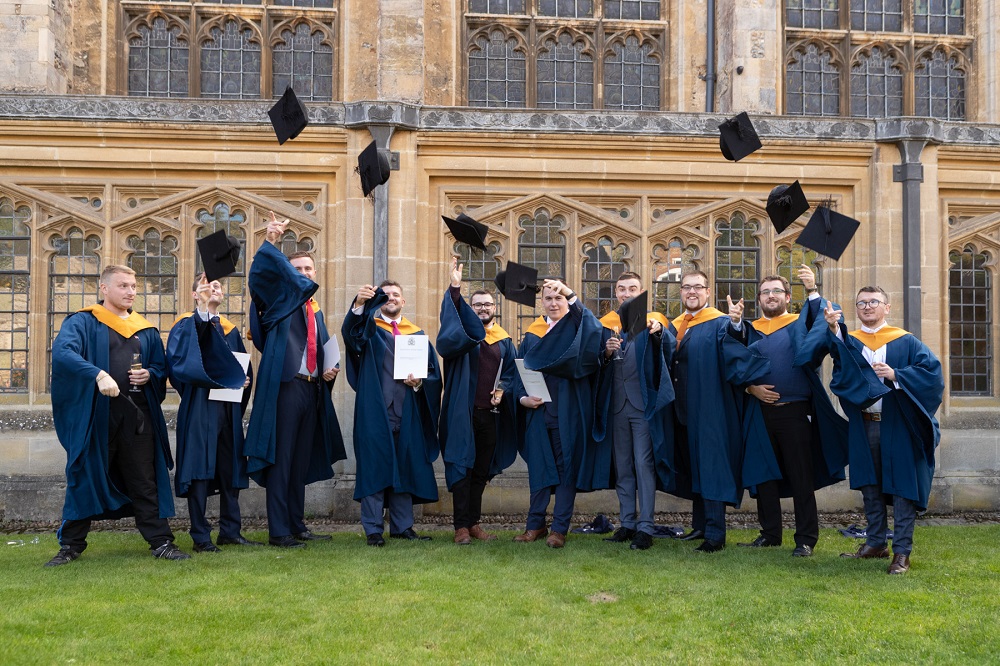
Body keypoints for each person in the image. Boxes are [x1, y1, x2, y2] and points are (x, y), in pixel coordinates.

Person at [46, 265, 188, 566]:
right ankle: (70, 546)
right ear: (104, 288)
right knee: (85, 476)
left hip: (137, 417)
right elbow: (63, 354)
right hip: (97, 416)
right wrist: (97, 374)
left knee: (144, 480)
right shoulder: (83, 322)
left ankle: (161, 542)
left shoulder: (145, 329)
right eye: (123, 286)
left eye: (134, 286)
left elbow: (161, 368)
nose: (130, 291)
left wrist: (150, 374)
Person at [818, 287, 944, 574]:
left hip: (898, 425)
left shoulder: (906, 342)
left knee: (903, 489)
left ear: (887, 307)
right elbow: (840, 368)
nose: (866, 307)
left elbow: (933, 376)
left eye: (873, 302)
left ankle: (901, 552)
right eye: (861, 302)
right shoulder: (851, 341)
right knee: (870, 486)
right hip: (865, 425)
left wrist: (897, 375)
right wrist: (835, 328)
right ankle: (876, 542)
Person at [728, 266, 849, 557]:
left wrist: (811, 289)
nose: (771, 296)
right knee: (763, 474)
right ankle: (770, 533)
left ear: (786, 296)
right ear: (758, 299)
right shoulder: (750, 329)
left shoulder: (799, 324)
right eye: (765, 292)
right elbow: (732, 363)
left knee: (800, 477)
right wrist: (750, 389)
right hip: (759, 412)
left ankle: (805, 538)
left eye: (777, 291)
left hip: (795, 413)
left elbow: (824, 325)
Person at [244, 215, 346, 548]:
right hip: (286, 388)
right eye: (297, 269)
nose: (303, 274)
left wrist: (327, 372)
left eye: (308, 270)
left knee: (299, 460)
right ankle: (279, 531)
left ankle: (297, 523)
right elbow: (258, 277)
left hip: (311, 388)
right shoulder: (280, 304)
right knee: (282, 459)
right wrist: (271, 239)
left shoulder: (315, 309)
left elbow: (317, 349)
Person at [667, 270, 769, 552]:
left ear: (708, 292)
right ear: (681, 292)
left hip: (711, 408)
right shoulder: (676, 325)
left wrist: (736, 322)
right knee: (693, 467)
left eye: (698, 287)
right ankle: (700, 525)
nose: (692, 292)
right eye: (686, 287)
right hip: (682, 409)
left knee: (711, 467)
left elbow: (737, 340)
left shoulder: (720, 323)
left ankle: (716, 533)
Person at [342, 280, 442, 546]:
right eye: (386, 295)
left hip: (408, 411)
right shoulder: (369, 330)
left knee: (405, 467)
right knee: (375, 468)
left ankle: (402, 526)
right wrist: (359, 306)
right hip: (376, 412)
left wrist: (419, 383)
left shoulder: (417, 335)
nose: (391, 298)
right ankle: (373, 529)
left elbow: (433, 374)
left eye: (396, 294)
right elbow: (351, 336)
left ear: (404, 301)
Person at [166, 274, 262, 552]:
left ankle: (230, 531)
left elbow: (242, 368)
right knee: (199, 471)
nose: (214, 289)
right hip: (199, 407)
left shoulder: (230, 330)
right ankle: (200, 536)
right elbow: (179, 364)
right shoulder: (187, 325)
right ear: (195, 294)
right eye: (207, 286)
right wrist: (205, 311)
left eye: (218, 286)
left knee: (230, 468)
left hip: (228, 409)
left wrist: (242, 381)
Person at [513, 279, 603, 549]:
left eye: (559, 298)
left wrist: (571, 294)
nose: (553, 303)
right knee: (539, 468)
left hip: (568, 411)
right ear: (542, 302)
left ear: (566, 301)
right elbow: (519, 371)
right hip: (539, 413)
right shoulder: (533, 334)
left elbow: (594, 329)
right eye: (549, 299)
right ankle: (535, 525)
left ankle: (559, 529)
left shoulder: (577, 329)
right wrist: (522, 398)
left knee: (567, 471)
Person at [437, 258, 517, 545]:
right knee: (461, 466)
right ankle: (460, 526)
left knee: (480, 470)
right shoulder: (463, 336)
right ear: (471, 308)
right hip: (462, 412)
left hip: (490, 414)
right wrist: (455, 289)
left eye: (488, 305)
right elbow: (451, 319)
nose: (483, 308)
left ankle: (473, 523)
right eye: (478, 304)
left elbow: (511, 372)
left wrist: (504, 388)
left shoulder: (504, 340)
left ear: (495, 308)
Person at [593, 272, 674, 551]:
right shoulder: (607, 325)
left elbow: (669, 348)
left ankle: (646, 526)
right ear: (616, 293)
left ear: (641, 292)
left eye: (632, 288)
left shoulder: (653, 322)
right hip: (616, 406)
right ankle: (627, 523)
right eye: (621, 288)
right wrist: (605, 353)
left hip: (642, 407)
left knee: (643, 465)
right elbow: (595, 363)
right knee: (624, 467)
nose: (626, 293)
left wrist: (659, 334)